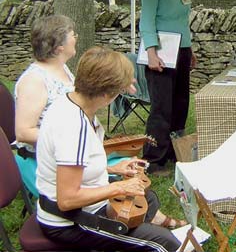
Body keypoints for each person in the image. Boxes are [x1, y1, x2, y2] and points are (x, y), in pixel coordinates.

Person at [36, 46, 185, 252]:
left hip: (79, 207)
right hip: (69, 221)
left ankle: (134, 236)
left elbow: (72, 167)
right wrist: (120, 187)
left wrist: (114, 169)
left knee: (147, 198)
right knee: (164, 242)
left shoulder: (73, 103)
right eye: (120, 90)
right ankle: (144, 239)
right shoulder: (72, 127)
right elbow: (67, 200)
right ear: (107, 94)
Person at [139, 0, 196, 176]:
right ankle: (153, 159)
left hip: (181, 51)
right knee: (161, 107)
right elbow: (146, 20)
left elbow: (183, 22)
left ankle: (174, 151)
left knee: (181, 103)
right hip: (160, 53)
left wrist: (190, 50)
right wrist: (151, 53)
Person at [15, 14, 77, 197]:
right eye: (73, 35)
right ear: (59, 48)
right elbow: (23, 132)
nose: (76, 38)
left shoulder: (62, 68)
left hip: (67, 154)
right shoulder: (34, 80)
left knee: (129, 165)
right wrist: (70, 138)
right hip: (44, 161)